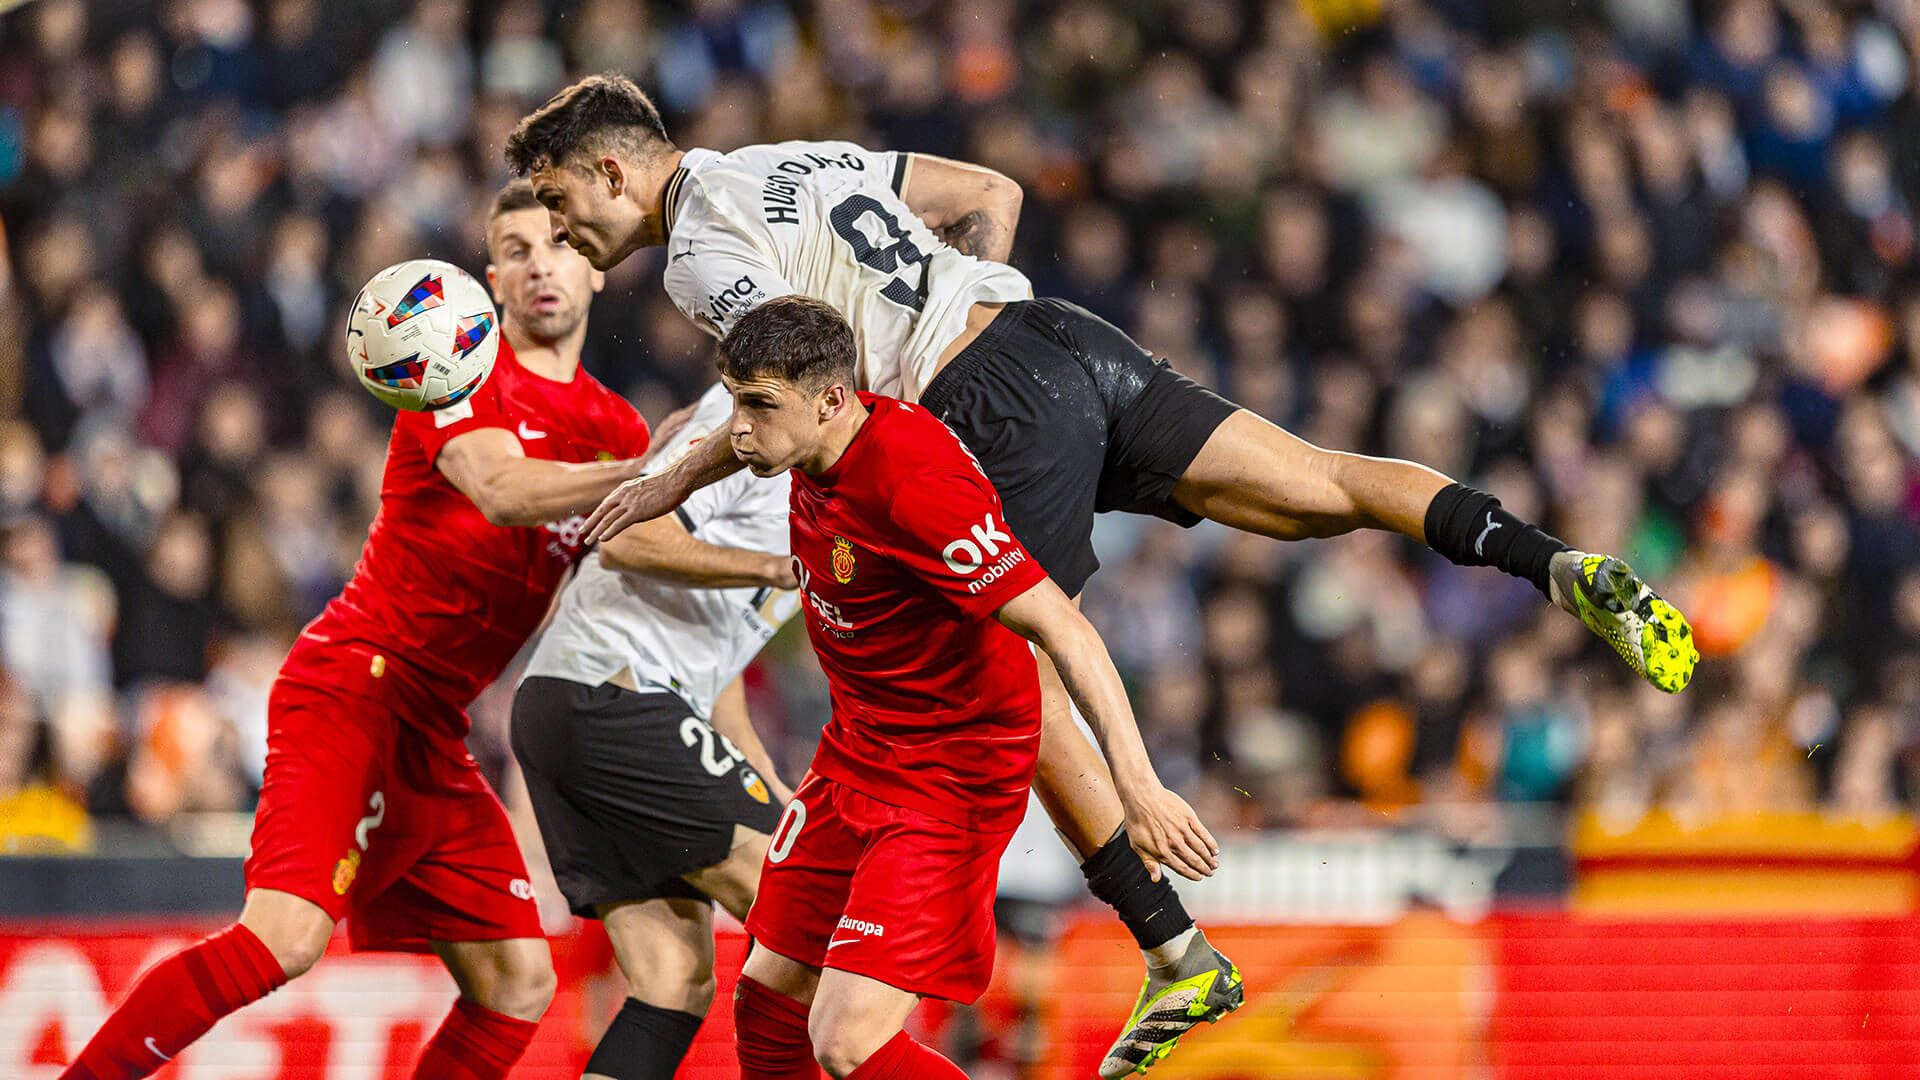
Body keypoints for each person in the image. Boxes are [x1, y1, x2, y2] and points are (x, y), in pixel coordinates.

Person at [505, 74, 1699, 1076]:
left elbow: (796, 371)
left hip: (976, 410)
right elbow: (991, 196)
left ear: (614, 173)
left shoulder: (696, 255)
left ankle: (1173, 948)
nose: (566, 236)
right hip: (1058, 338)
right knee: (1318, 485)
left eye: (560, 204)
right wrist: (977, 319)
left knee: (1004, 671)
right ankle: (1545, 558)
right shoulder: (790, 160)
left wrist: (698, 467)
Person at [61, 180, 652, 1080]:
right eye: (519, 249)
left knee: (518, 981)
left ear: (599, 265)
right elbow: (501, 487)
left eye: (561, 244)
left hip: (433, 727)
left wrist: (765, 550)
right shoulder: (451, 365)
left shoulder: (614, 426)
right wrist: (651, 472)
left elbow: (650, 548)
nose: (542, 265)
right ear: (490, 279)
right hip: (356, 685)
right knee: (285, 940)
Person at [716, 296, 1218, 1080]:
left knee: (847, 1040)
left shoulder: (914, 484)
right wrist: (664, 484)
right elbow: (752, 427)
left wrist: (1139, 783)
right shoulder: (811, 440)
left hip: (946, 775)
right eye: (733, 400)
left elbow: (1065, 628)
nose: (739, 429)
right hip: (854, 751)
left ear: (831, 399)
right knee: (766, 1002)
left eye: (757, 406)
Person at [511, 379, 801, 1080]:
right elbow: (629, 533)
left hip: (581, 704)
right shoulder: (744, 429)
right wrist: (775, 568)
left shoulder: (818, 480)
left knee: (675, 980)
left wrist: (782, 801)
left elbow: (718, 686)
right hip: (611, 694)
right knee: (807, 910)